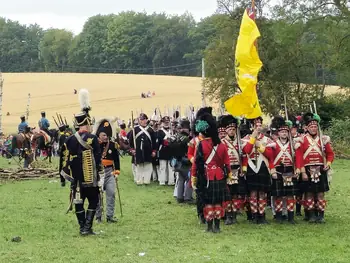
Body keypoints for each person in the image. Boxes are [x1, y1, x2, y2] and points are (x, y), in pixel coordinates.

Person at [60, 89, 101, 235]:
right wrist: (98, 175)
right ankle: (87, 228)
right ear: (87, 123)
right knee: (94, 201)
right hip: (90, 178)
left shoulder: (69, 140)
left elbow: (64, 158)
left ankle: (82, 227)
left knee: (78, 202)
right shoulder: (93, 139)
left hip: (76, 179)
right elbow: (97, 159)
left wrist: (64, 178)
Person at [191, 113, 232, 233]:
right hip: (219, 176)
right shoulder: (222, 145)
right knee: (218, 202)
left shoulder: (201, 144)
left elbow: (196, 164)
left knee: (208, 203)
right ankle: (217, 227)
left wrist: (194, 177)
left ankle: (209, 227)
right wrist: (229, 175)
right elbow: (227, 162)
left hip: (206, 176)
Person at [295, 112, 334, 223]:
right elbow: (299, 158)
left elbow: (330, 154)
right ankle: (311, 214)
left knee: (320, 193)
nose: (313, 128)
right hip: (307, 170)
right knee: (309, 193)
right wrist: (303, 172)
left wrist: (328, 163)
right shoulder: (301, 140)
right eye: (311, 126)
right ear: (307, 128)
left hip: (321, 169)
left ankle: (320, 215)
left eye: (315, 126)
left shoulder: (323, 140)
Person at [242, 117, 275, 224]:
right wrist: (253, 139)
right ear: (252, 126)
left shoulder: (267, 139)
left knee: (262, 193)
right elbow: (246, 150)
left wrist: (260, 146)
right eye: (256, 125)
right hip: (251, 167)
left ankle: (262, 215)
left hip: (263, 167)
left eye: (260, 125)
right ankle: (254, 215)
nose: (258, 127)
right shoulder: (246, 138)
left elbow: (270, 155)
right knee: (252, 193)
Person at [270, 116, 299, 224]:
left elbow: (297, 158)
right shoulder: (273, 144)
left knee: (290, 195)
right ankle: (278, 216)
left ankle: (291, 216)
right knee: (278, 195)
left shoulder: (293, 144)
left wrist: (298, 170)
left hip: (290, 171)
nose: (284, 134)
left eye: (285, 132)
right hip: (278, 171)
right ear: (278, 133)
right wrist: (272, 171)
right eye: (281, 132)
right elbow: (271, 159)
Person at [93, 118, 120, 223]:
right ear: (99, 134)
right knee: (98, 195)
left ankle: (109, 216)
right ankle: (98, 216)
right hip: (98, 173)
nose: (105, 137)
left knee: (111, 193)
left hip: (110, 172)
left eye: (107, 135)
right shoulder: (94, 144)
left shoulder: (113, 145)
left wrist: (117, 171)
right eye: (103, 135)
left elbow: (116, 160)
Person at [221, 115, 246, 225]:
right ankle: (228, 215)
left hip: (237, 171)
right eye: (229, 129)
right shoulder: (222, 142)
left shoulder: (240, 142)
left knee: (236, 195)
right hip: (227, 171)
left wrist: (243, 169)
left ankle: (234, 215)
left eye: (233, 129)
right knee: (228, 195)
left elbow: (244, 157)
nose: (232, 131)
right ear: (226, 131)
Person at [169, 118, 193, 203]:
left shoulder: (175, 137)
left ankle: (179, 197)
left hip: (176, 162)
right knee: (189, 179)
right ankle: (187, 197)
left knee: (181, 179)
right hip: (185, 162)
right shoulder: (187, 139)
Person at [129, 113, 157, 185]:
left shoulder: (150, 130)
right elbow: (131, 141)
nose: (143, 121)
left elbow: (154, 141)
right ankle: (139, 181)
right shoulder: (135, 130)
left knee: (148, 166)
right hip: (138, 151)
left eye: (144, 119)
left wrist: (154, 151)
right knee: (139, 166)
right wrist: (132, 150)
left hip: (148, 151)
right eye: (141, 119)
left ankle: (147, 181)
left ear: (146, 120)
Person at [157, 116, 174, 185]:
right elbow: (159, 141)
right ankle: (162, 181)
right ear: (163, 123)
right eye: (165, 122)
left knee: (170, 167)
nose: (166, 123)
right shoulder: (160, 131)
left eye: (167, 122)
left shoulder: (172, 131)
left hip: (170, 151)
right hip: (163, 151)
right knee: (162, 167)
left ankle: (171, 181)